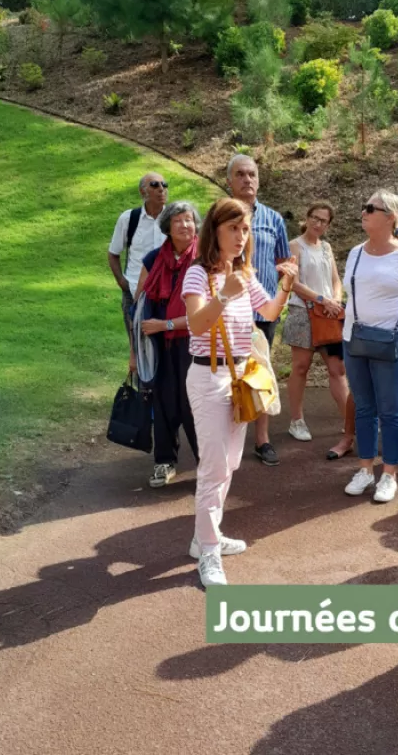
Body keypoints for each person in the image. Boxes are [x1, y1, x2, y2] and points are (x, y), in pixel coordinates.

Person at [183, 198, 298, 587]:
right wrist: (225, 294)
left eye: (245, 229)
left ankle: (204, 539)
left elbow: (267, 313)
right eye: (233, 228)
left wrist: (285, 287)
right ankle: (210, 553)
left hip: (239, 377)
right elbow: (197, 326)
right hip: (208, 376)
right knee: (213, 468)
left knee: (229, 464)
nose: (240, 236)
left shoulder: (245, 275)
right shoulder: (198, 274)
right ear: (214, 230)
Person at [342, 190, 398, 503]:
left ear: (391, 216)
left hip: (393, 341)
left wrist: (395, 330)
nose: (364, 211)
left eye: (372, 208)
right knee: (364, 407)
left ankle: (390, 474)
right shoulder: (355, 253)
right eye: (364, 206)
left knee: (390, 409)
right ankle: (365, 469)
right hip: (354, 339)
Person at [226, 155, 291, 467]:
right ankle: (228, 439)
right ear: (230, 181)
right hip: (225, 313)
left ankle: (262, 439)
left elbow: (284, 263)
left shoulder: (273, 219)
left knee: (260, 372)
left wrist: (282, 291)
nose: (247, 180)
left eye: (252, 174)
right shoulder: (218, 217)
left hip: (262, 314)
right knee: (227, 376)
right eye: (240, 174)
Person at [131, 201, 201, 488]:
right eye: (178, 221)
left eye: (189, 220)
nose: (185, 225)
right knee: (162, 402)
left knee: (193, 404)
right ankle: (164, 461)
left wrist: (166, 325)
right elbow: (138, 311)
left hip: (195, 344)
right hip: (157, 346)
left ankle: (207, 464)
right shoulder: (152, 260)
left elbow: (205, 314)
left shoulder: (205, 260)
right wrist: (134, 352)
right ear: (167, 229)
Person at [283, 202, 353, 459]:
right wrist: (323, 300)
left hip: (328, 315)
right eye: (314, 217)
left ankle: (349, 423)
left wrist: (334, 301)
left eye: (323, 220)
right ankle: (296, 420)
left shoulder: (326, 247)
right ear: (307, 217)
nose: (318, 223)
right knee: (301, 367)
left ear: (328, 224)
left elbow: (335, 279)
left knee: (338, 369)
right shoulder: (295, 245)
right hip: (303, 312)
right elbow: (293, 283)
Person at [108, 173, 168, 343]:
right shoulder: (129, 219)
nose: (161, 189)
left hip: (166, 296)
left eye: (164, 184)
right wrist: (122, 282)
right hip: (134, 294)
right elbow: (113, 253)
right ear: (142, 192)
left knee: (165, 349)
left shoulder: (174, 219)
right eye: (155, 185)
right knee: (137, 349)